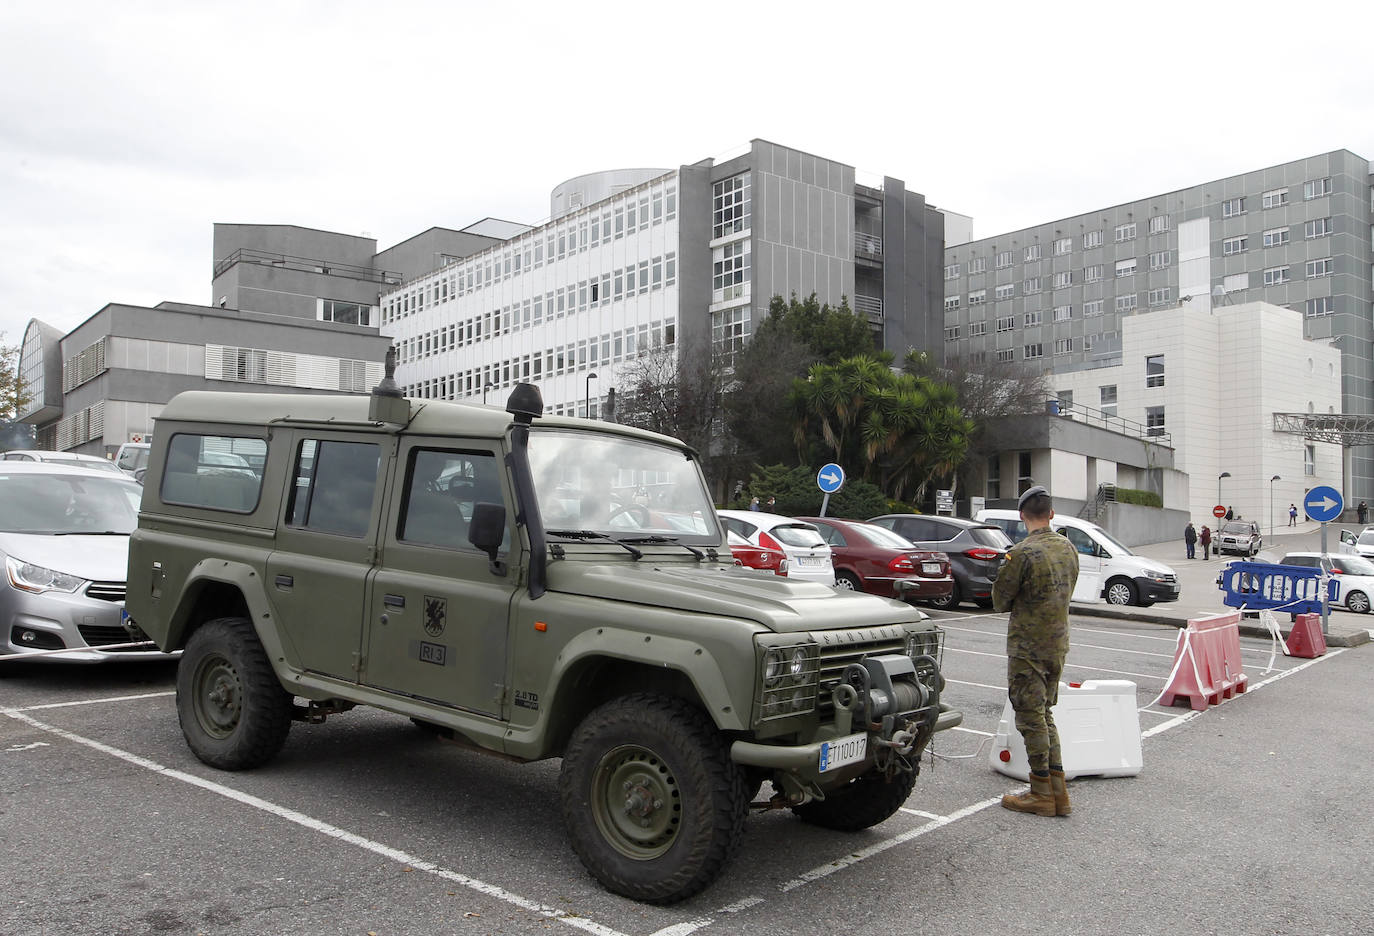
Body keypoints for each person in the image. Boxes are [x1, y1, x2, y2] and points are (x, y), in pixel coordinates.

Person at [991, 485, 1079, 818]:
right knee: (1045, 713)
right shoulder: (1068, 548)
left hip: (1028, 646)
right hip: (1057, 642)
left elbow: (1000, 601)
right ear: (1051, 514)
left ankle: (1041, 792)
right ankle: (1058, 792)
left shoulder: (1021, 553)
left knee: (1030, 716)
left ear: (1021, 516)